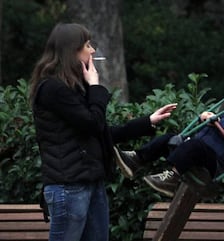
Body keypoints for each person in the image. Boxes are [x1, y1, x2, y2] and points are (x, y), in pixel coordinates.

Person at [29, 23, 176, 241]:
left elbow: (99, 132)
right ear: (72, 51)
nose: (93, 50)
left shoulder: (72, 88)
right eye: (87, 45)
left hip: (90, 182)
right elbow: (93, 123)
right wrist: (95, 87)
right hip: (69, 187)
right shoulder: (52, 89)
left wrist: (148, 121)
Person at [114, 83, 224, 197]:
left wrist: (217, 120)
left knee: (195, 145)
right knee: (170, 138)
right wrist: (204, 121)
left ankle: (172, 177)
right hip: (201, 153)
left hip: (214, 163)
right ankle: (136, 159)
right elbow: (210, 132)